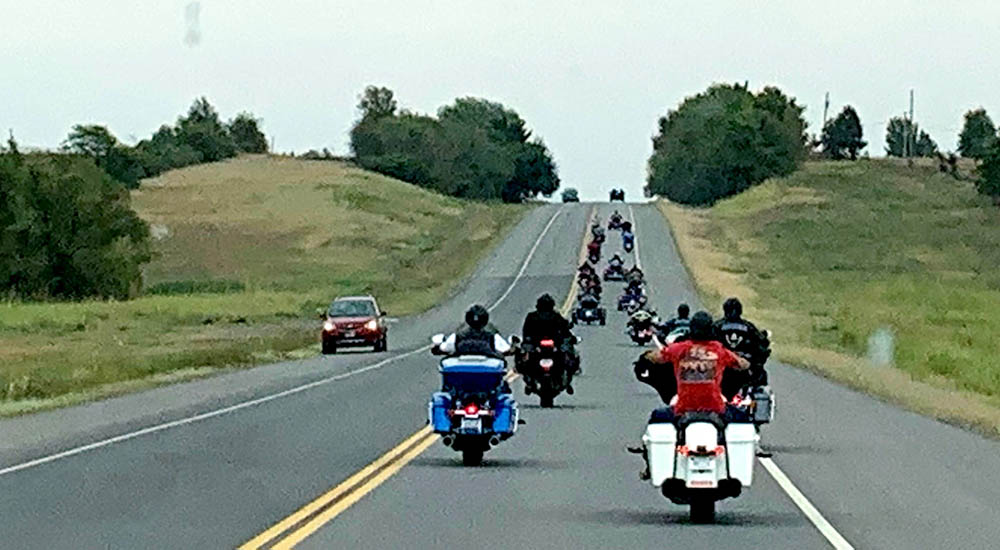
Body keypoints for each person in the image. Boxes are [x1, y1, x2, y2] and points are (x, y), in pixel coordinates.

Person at [631, 311, 750, 479]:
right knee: (744, 419)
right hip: (715, 408)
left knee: (655, 417)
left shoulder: (679, 349)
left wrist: (645, 356)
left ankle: (650, 464)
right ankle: (734, 468)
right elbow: (742, 364)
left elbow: (657, 357)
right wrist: (746, 361)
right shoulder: (719, 350)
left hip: (684, 408)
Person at [713, 297, 771, 393]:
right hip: (744, 371)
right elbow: (761, 344)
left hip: (722, 371)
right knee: (760, 377)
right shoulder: (749, 327)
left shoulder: (716, 326)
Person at [520, 294, 580, 382]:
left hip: (551, 343)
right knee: (524, 354)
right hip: (539, 343)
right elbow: (565, 329)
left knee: (567, 352)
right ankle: (529, 376)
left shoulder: (534, 316)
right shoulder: (553, 316)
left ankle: (567, 373)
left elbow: (526, 331)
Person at [438, 305, 511, 359]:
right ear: (485, 320)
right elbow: (506, 349)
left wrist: (438, 346)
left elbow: (443, 348)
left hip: (461, 375)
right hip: (487, 375)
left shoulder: (458, 336)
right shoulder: (492, 337)